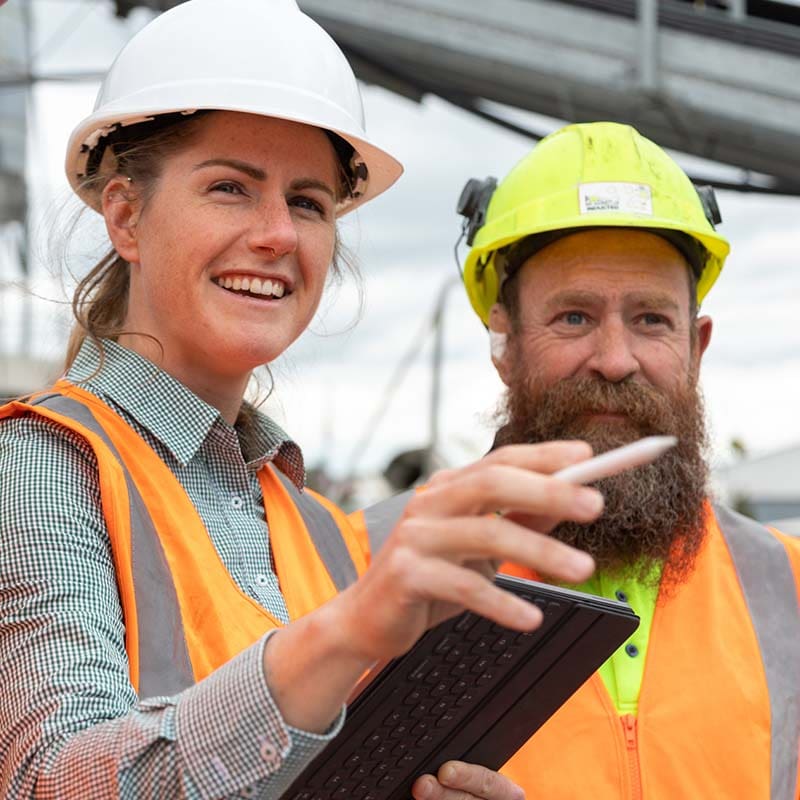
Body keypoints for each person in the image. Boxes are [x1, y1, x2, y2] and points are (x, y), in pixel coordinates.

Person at [0, 2, 607, 797]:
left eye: (309, 202)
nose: (279, 234)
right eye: (229, 187)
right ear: (126, 216)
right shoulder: (39, 466)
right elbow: (50, 782)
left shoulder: (314, 527)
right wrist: (342, 636)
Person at [452, 121, 800, 798]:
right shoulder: (373, 568)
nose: (615, 360)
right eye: (575, 317)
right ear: (506, 345)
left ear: (696, 348)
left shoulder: (789, 589)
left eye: (650, 320)